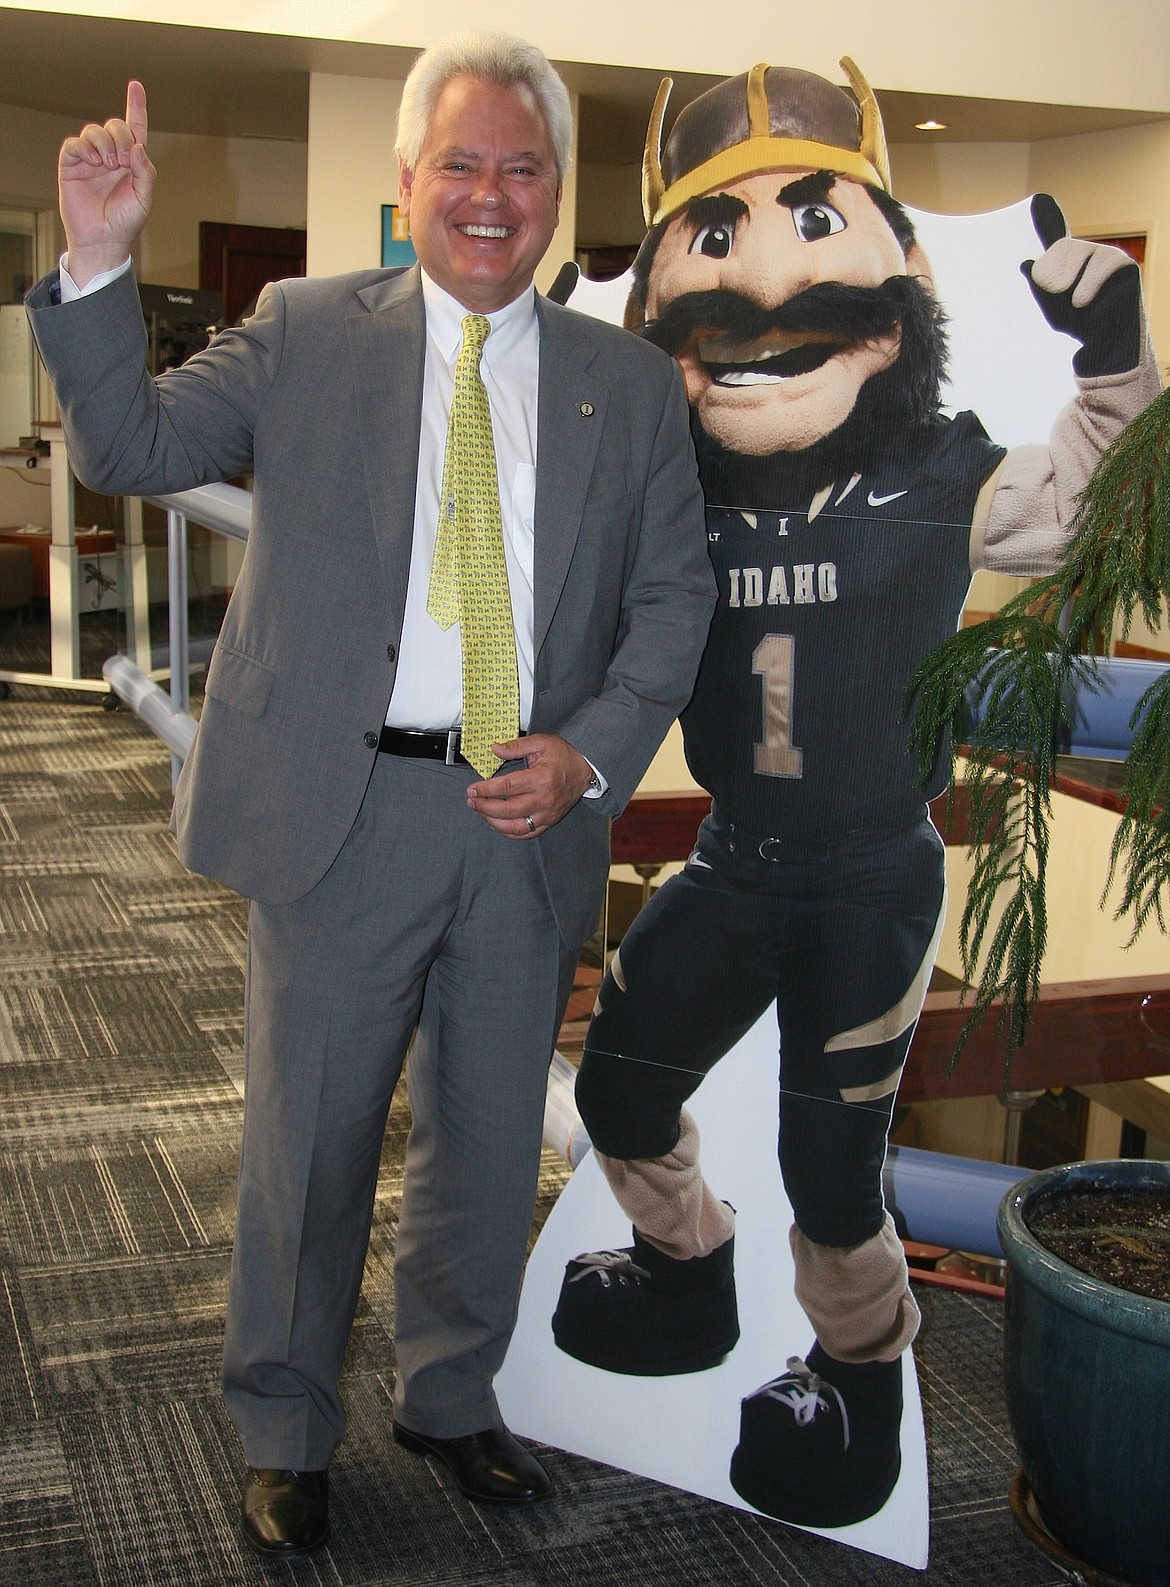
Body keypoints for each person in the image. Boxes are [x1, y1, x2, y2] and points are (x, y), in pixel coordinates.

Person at [27, 32, 712, 1558]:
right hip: (345, 818)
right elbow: (127, 448)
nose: (490, 194)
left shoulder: (624, 384)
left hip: (525, 820)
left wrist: (589, 748)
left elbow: (672, 603)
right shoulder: (304, 328)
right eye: (458, 163)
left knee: (481, 1140)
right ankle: (283, 1418)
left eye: (520, 168)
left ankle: (449, 1396)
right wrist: (93, 263)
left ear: (554, 193)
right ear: (407, 183)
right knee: (312, 1143)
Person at [549, 61, 1160, 1529]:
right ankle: (685, 1271)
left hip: (866, 874)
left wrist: (1117, 365)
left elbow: (1094, 501)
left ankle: (857, 1373)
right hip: (730, 857)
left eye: (810, 233)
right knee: (620, 1087)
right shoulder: (664, 487)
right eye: (712, 252)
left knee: (836, 1170)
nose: (761, 301)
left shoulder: (937, 478)